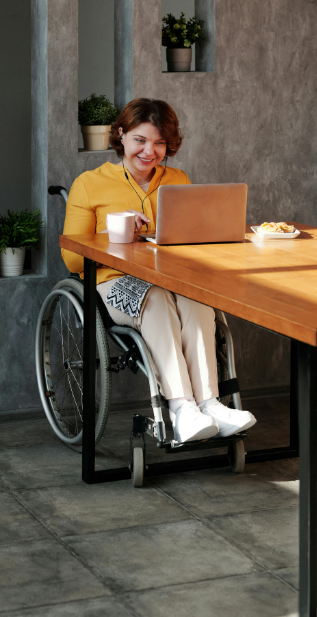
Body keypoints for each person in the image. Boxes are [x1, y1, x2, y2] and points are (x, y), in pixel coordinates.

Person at [62, 98, 256, 443]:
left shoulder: (177, 179)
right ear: (120, 135)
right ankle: (181, 407)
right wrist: (117, 235)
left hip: (170, 279)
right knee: (156, 300)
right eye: (140, 139)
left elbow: (191, 240)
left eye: (159, 142)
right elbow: (73, 260)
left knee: (198, 300)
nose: (149, 151)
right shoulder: (89, 184)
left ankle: (209, 404)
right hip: (113, 282)